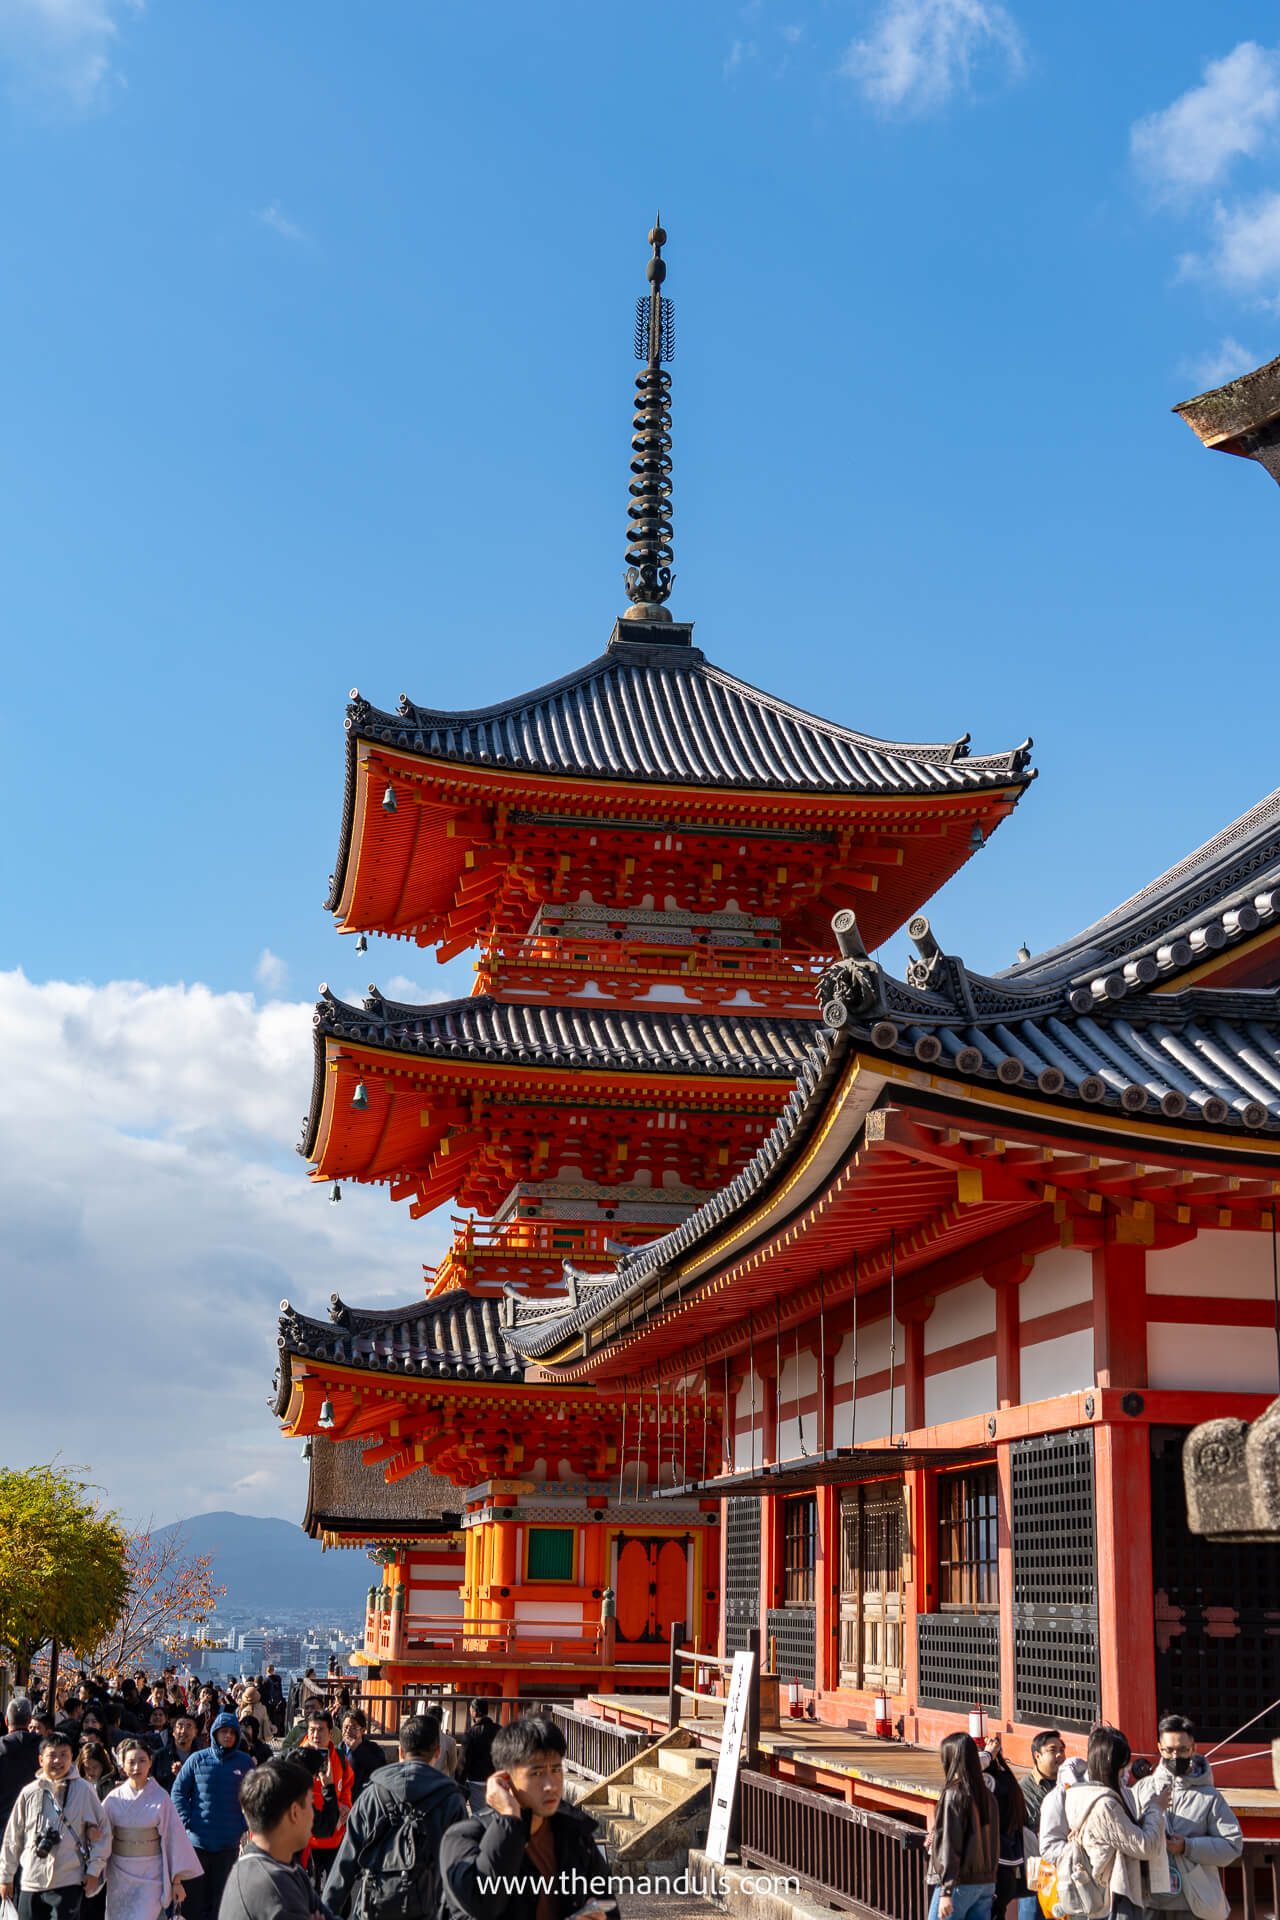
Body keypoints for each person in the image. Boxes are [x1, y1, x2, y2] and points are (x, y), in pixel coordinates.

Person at [441, 1714, 612, 1920]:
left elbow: (609, 1907)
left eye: (556, 1769)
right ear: (505, 1779)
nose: (551, 1785)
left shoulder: (576, 1837)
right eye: (536, 1773)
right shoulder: (462, 1838)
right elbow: (484, 1905)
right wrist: (509, 1819)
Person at [321, 1713, 464, 1920]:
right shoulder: (451, 1800)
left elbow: (345, 1863)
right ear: (438, 1751)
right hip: (430, 1907)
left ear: (400, 1751)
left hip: (375, 1907)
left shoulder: (373, 1795)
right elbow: (460, 1867)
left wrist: (327, 1912)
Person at [1132, 1715, 1242, 1920]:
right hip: (1147, 1900)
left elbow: (1232, 1846)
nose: (1175, 1756)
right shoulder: (1142, 1790)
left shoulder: (1210, 1797)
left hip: (1193, 1903)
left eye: (1182, 1750)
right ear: (1159, 1748)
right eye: (1169, 1750)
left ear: (1193, 1748)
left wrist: (1188, 1847)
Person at [0, 1732, 113, 1920]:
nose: (58, 1761)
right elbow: (13, 1838)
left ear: (72, 1758)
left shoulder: (84, 1790)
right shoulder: (29, 1792)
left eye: (64, 1755)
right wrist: (5, 1877)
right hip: (31, 1879)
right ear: (41, 1759)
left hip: (67, 1880)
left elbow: (103, 1833)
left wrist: (94, 1870)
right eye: (52, 1755)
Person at [1064, 1726, 1171, 1920]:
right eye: (1123, 1765)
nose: (1126, 1770)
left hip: (1099, 1892)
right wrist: (1156, 1808)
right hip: (1113, 1897)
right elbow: (1144, 1845)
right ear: (1112, 1767)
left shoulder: (1080, 1794)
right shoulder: (1106, 1805)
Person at [217, 1757, 333, 1920]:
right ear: (294, 1812)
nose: (313, 1815)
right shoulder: (273, 1887)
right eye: (310, 1804)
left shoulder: (287, 1868)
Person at [103, 1739, 201, 1920]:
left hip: (151, 1872)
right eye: (131, 1762)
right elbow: (101, 1835)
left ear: (150, 1762)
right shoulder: (113, 1799)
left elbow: (174, 1840)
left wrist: (176, 1881)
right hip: (120, 1872)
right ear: (122, 1765)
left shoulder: (161, 1797)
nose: (136, 1767)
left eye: (142, 1761)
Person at [171, 1714, 254, 1920]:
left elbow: (256, 1796)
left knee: (221, 1901)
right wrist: (186, 1820)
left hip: (228, 1844)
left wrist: (243, 1825)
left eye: (232, 1733)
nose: (227, 1736)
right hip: (197, 1844)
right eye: (223, 1732)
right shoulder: (197, 1759)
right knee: (193, 1902)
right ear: (214, 1733)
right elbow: (178, 1792)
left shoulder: (245, 1763)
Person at [924, 1731, 998, 1920]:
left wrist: (946, 1890)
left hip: (959, 1882)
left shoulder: (953, 1794)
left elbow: (950, 1842)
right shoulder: (987, 1795)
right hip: (986, 1881)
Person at [295, 1715, 352, 1892]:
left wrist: (346, 1805)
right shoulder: (296, 1756)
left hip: (333, 1835)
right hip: (306, 1839)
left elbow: (348, 1786)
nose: (315, 1734)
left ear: (330, 1732)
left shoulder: (340, 1758)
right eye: (312, 1729)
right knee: (307, 1892)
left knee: (337, 1891)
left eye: (321, 1730)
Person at [983, 1735, 1029, 1920]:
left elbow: (961, 1774)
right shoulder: (1009, 1780)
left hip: (993, 1863)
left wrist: (986, 1754)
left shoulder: (988, 1782)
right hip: (1010, 1861)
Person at [0, 1701, 42, 1839]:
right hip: (34, 1821)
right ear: (30, 1720)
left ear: (6, 1721)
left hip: (3, 1823)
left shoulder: (2, 1746)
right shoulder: (44, 1747)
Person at [457, 1703, 498, 1817]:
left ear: (474, 1712)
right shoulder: (499, 1730)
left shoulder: (471, 1734)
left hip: (476, 1781)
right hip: (496, 1780)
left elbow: (463, 1762)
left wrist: (459, 1782)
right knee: (496, 1816)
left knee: (480, 1816)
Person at [335, 1717, 385, 1801]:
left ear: (363, 1730)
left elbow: (380, 1770)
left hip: (363, 1800)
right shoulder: (337, 1750)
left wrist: (357, 1749)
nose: (348, 1731)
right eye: (345, 1727)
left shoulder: (373, 1749)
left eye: (353, 1728)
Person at [153, 1718, 201, 1797]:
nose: (183, 1731)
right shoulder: (159, 1756)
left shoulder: (201, 1758)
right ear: (173, 1731)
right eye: (180, 1726)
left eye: (188, 1727)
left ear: (195, 1732)